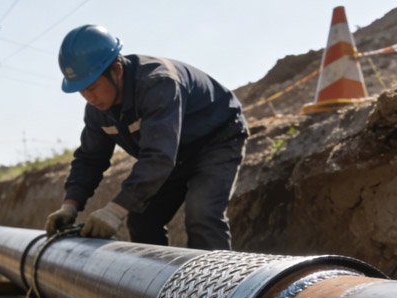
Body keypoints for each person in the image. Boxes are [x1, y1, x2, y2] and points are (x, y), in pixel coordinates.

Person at [44, 24, 248, 250]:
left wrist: (115, 210)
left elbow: (158, 157)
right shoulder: (97, 109)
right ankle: (159, 274)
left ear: (116, 71)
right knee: (142, 220)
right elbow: (90, 158)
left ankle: (216, 274)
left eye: (91, 87)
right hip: (175, 152)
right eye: (81, 90)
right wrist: (70, 205)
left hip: (216, 139)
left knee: (202, 215)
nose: (88, 97)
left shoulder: (158, 83)